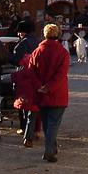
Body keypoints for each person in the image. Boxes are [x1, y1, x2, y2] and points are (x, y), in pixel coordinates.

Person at [28, 23, 70, 162]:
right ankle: (50, 150)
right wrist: (49, 87)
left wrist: (40, 86)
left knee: (47, 123)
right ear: (57, 35)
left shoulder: (37, 51)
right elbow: (61, 74)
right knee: (53, 124)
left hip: (41, 94)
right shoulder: (62, 52)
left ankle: (52, 147)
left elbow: (31, 71)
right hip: (57, 94)